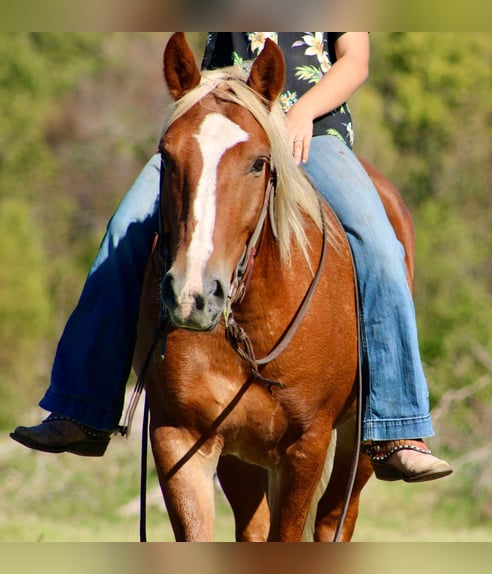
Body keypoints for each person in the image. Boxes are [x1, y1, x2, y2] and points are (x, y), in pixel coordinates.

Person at [11, 32, 452, 483]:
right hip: (217, 125)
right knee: (124, 228)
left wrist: (298, 113)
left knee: (380, 247)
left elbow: (354, 61)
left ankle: (398, 427)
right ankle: (83, 407)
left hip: (310, 130)